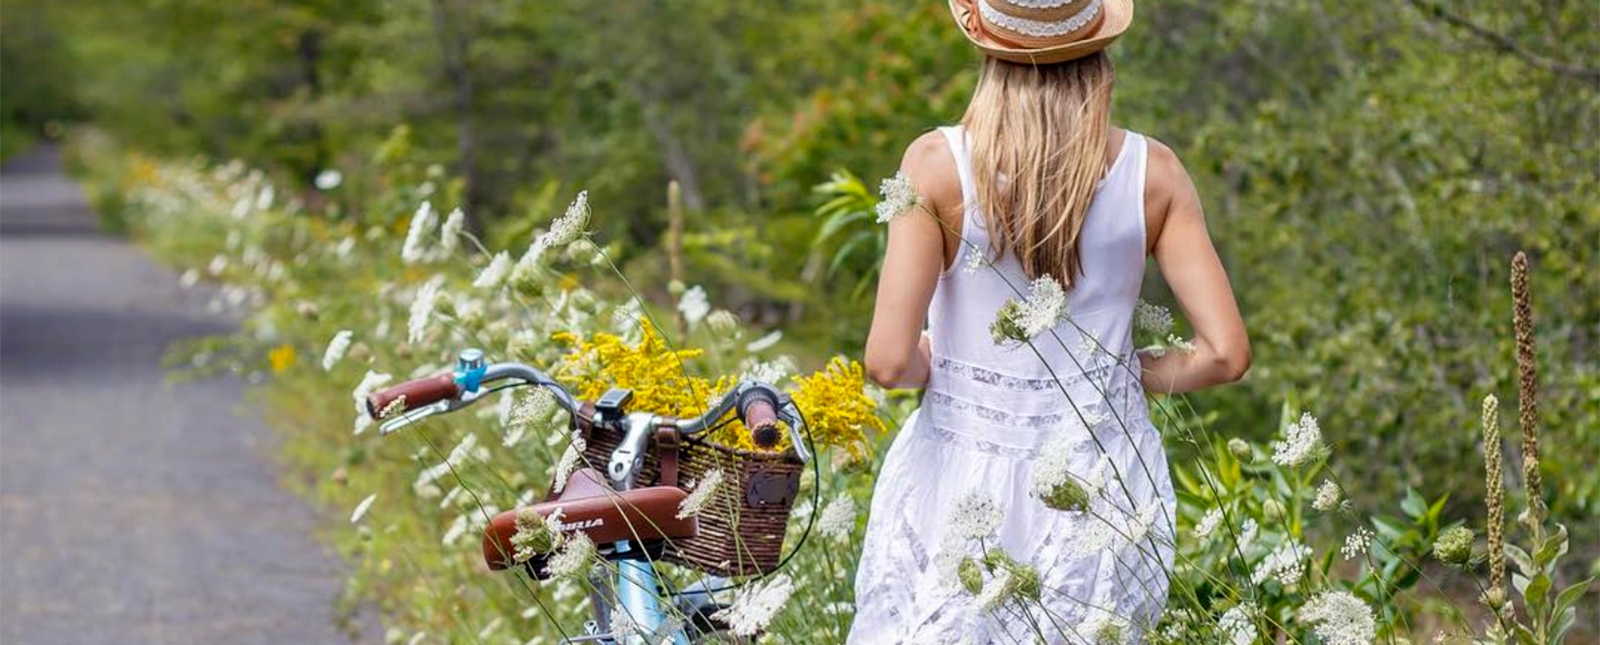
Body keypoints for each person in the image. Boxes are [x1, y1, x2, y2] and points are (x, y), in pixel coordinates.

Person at [850, 0, 1250, 642]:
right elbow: (1226, 354)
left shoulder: (935, 164)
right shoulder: (1154, 173)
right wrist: (1126, 374)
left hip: (958, 482)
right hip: (1099, 485)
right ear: (1098, 55)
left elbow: (890, 364)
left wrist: (944, 354)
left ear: (988, 49)